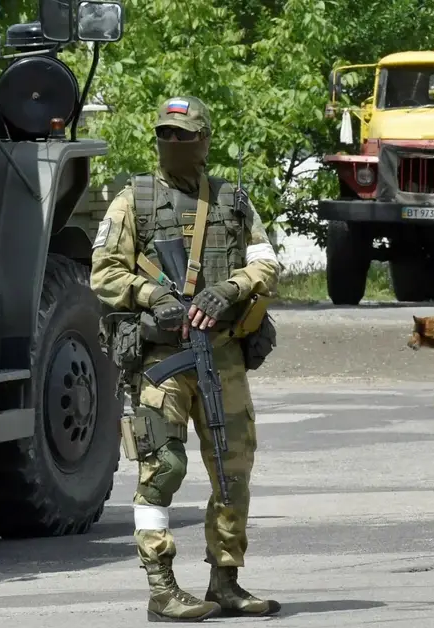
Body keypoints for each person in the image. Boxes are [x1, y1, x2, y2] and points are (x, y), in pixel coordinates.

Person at [90, 95, 282, 622]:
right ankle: (162, 587)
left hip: (221, 355)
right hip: (161, 359)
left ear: (204, 140)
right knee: (163, 467)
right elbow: (104, 273)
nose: (173, 144)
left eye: (184, 136)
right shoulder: (134, 201)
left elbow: (266, 262)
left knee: (232, 469)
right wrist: (153, 296)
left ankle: (226, 581)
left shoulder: (232, 201)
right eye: (165, 136)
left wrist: (232, 287)